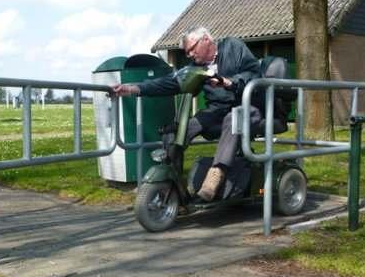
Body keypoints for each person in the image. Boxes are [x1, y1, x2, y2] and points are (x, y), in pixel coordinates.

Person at [113, 27, 263, 202]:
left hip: (250, 106)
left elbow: (253, 74)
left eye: (192, 49)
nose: (190, 54)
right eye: (187, 52)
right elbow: (170, 83)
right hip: (218, 110)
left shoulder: (233, 47)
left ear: (206, 40)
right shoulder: (196, 67)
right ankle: (173, 185)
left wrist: (229, 82)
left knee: (233, 118)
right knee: (176, 131)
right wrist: (133, 88)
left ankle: (216, 176)